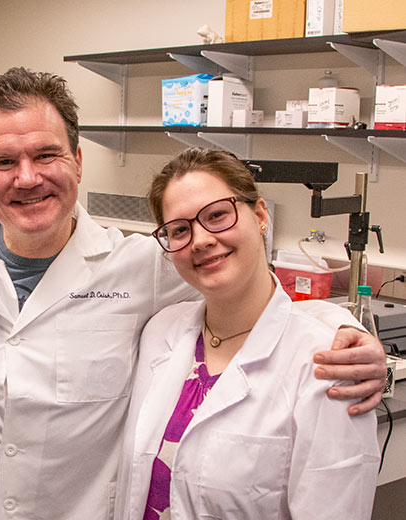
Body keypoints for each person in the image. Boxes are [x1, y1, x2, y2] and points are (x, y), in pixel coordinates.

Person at [0, 67, 385, 520]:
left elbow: (241, 285)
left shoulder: (145, 266)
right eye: (4, 161)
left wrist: (343, 330)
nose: (27, 177)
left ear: (78, 161)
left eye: (46, 155)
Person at [115, 148, 380, 519]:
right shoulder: (160, 332)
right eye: (180, 230)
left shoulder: (326, 366)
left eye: (217, 215)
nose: (201, 240)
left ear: (260, 216)